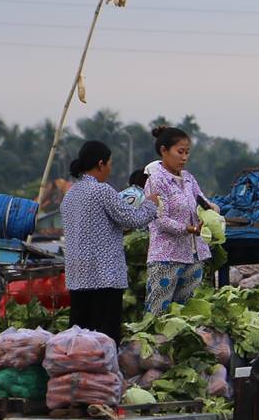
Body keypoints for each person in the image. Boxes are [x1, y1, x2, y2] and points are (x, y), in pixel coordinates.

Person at [59, 139, 159, 341]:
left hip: (77, 274)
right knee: (104, 336)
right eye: (110, 164)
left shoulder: (70, 195)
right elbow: (133, 218)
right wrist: (150, 204)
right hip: (104, 275)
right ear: (100, 164)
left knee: (79, 336)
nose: (110, 170)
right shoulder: (102, 191)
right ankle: (104, 370)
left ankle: (78, 369)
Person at [144, 126, 212, 316]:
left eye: (187, 152)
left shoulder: (189, 179)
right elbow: (160, 219)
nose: (184, 157)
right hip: (166, 256)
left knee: (188, 313)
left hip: (194, 255)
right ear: (164, 151)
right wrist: (188, 228)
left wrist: (213, 211)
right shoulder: (156, 181)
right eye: (180, 152)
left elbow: (203, 202)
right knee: (158, 312)